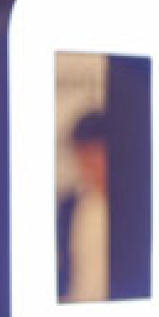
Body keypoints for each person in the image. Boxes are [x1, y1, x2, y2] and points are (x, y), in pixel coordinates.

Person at [56, 110, 110, 302]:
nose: (88, 164)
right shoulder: (69, 207)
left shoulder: (135, 210)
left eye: (95, 153)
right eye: (82, 154)